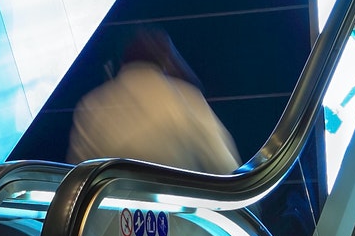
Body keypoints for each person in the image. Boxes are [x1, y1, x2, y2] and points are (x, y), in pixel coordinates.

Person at [68, 28, 239, 173]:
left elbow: (78, 177)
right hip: (179, 210)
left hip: (113, 212)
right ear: (166, 59)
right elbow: (225, 168)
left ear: (120, 60)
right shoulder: (185, 99)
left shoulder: (90, 105)